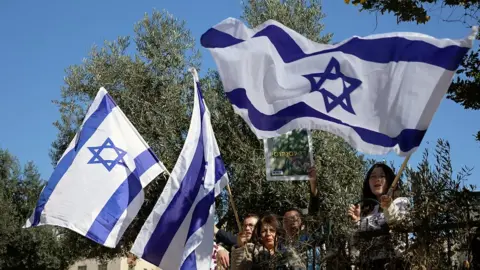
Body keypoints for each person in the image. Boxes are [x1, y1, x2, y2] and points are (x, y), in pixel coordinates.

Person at [347, 163, 409, 269]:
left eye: (382, 176)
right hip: (368, 264)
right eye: (373, 176)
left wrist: (388, 206)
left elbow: (396, 222)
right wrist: (357, 221)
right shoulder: (366, 210)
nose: (377, 179)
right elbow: (357, 243)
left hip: (393, 262)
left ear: (389, 180)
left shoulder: (401, 202)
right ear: (368, 182)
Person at [231, 214, 306, 269]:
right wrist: (241, 247)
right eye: (264, 231)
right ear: (259, 234)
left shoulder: (288, 253)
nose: (268, 234)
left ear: (278, 233)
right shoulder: (252, 252)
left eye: (272, 230)